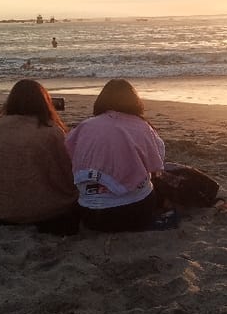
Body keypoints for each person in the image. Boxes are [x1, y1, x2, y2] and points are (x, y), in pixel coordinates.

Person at [0, 79, 79, 234]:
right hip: (42, 210)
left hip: (1, 207)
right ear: (43, 102)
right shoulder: (51, 131)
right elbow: (66, 172)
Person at [65, 79, 165, 232]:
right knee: (154, 185)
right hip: (135, 211)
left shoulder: (84, 126)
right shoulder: (142, 126)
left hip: (90, 215)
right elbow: (157, 161)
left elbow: (69, 153)